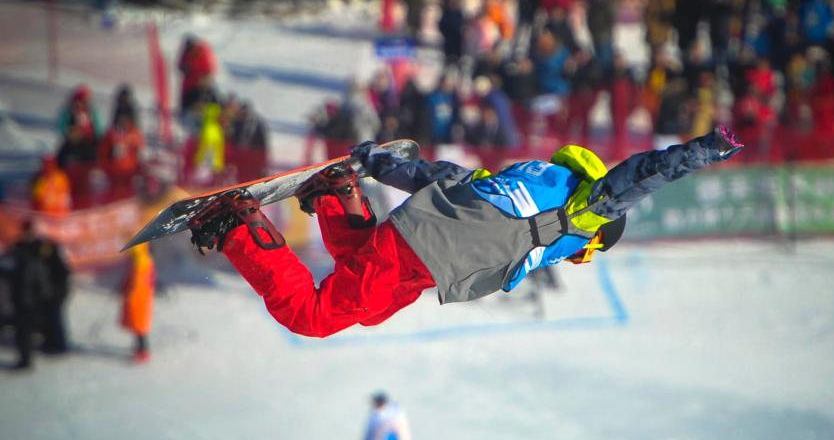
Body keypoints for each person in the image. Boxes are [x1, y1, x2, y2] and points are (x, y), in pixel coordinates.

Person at [186, 128, 744, 338]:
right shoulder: (588, 212)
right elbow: (641, 175)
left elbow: (445, 179)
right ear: (599, 235)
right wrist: (700, 152)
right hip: (429, 251)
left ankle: (338, 195)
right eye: (583, 256)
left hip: (421, 253)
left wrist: (377, 165)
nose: (575, 258)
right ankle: (238, 225)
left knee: (369, 300)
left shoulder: (534, 176)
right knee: (311, 315)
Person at [8, 220, 70, 369]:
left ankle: (58, 345)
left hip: (52, 290)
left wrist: (56, 290)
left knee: (54, 319)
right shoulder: (20, 248)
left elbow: (60, 271)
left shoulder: (46, 247)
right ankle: (47, 344)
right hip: (35, 293)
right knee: (41, 321)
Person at [121, 244, 156, 363]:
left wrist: (130, 294)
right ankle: (141, 348)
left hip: (139, 298)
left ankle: (142, 351)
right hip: (143, 297)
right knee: (140, 326)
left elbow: (137, 283)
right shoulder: (145, 260)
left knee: (139, 326)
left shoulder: (140, 261)